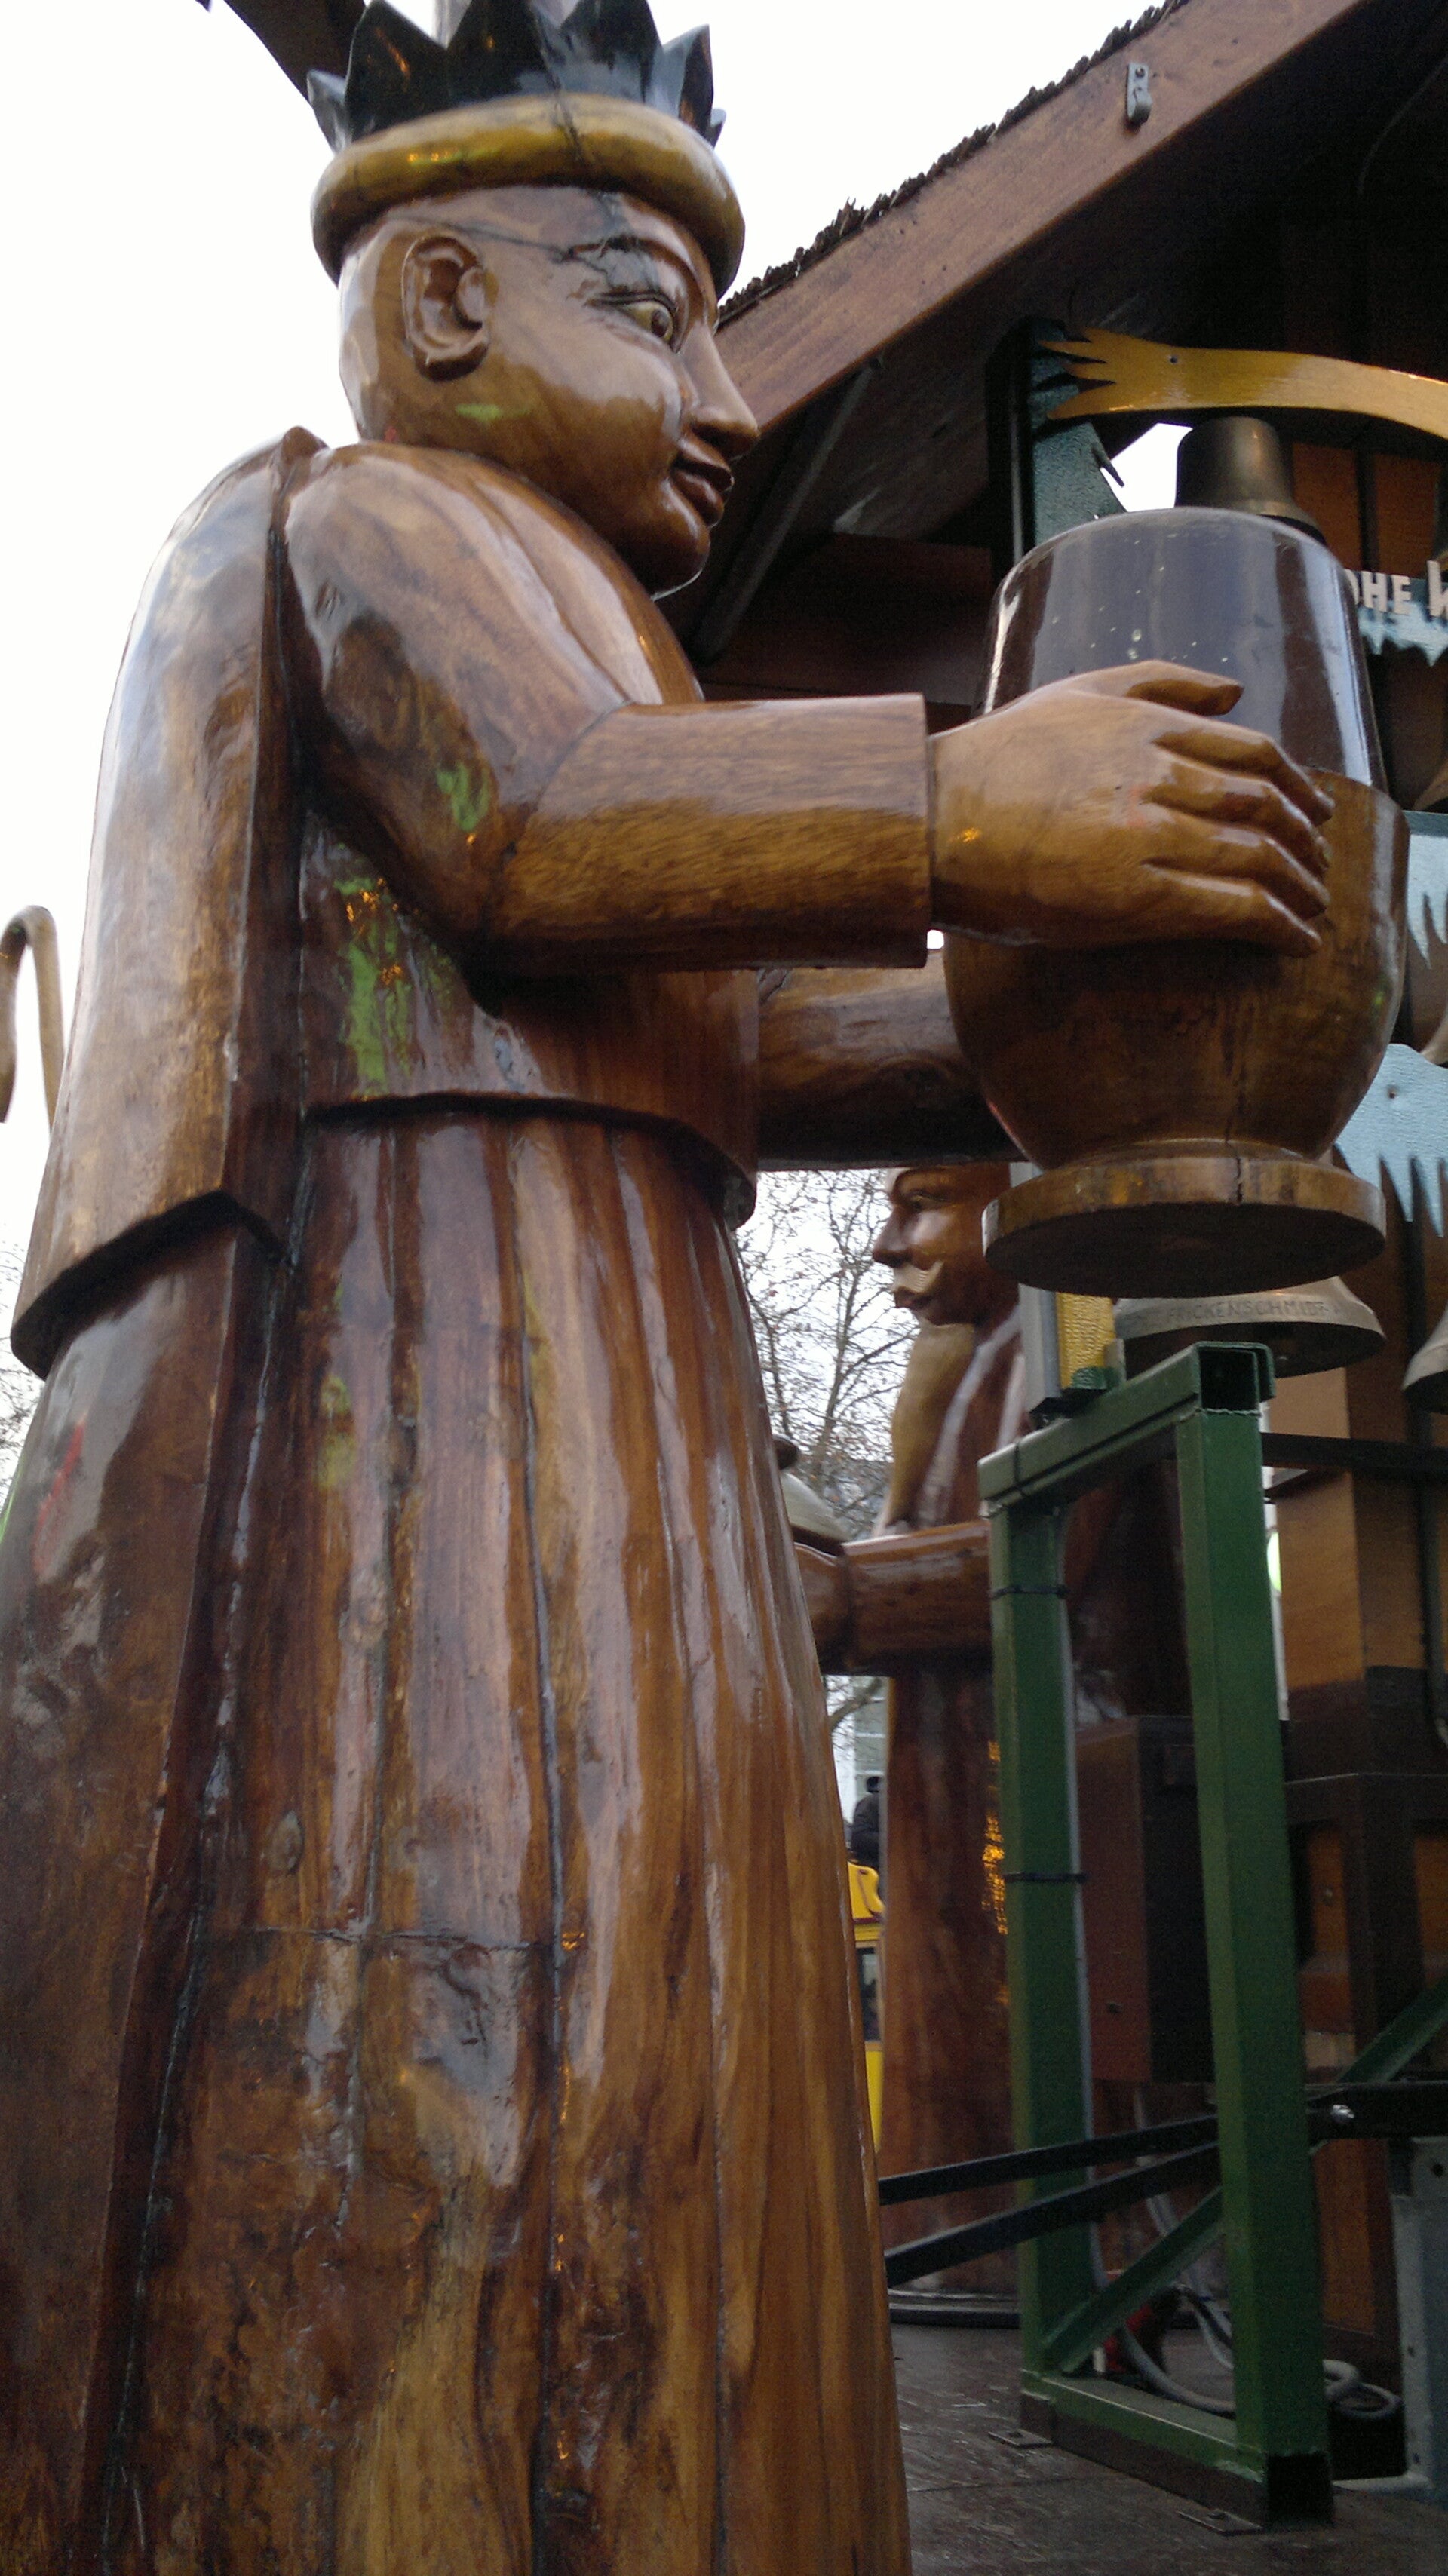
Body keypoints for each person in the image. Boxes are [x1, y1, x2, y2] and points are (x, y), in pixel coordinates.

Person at [0, 0, 1331, 2562]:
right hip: (426, 1360)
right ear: (446, 305)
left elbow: (730, 1023)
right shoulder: (379, 523)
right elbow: (545, 826)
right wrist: (958, 801)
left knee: (669, 1991)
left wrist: (1097, 1010)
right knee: (482, 1969)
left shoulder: (605, 611)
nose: (717, 397)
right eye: (649, 309)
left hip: (622, 1375)